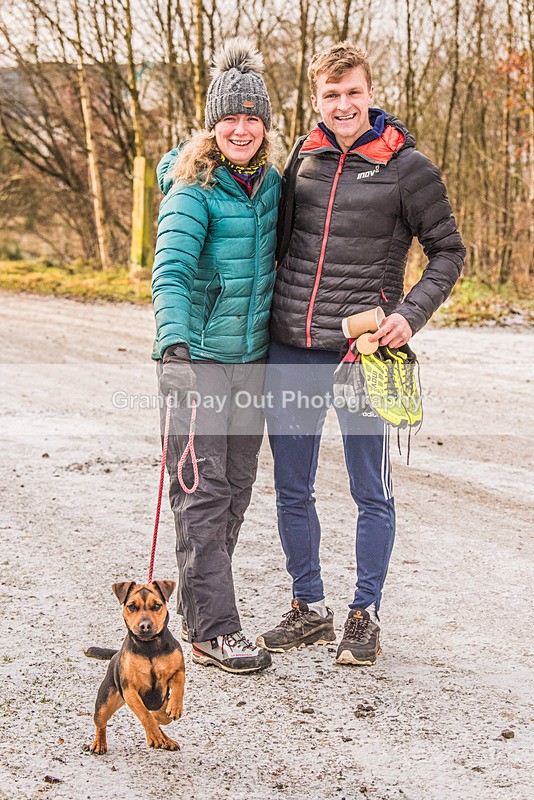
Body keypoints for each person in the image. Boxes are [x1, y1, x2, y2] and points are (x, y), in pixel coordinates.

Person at [256, 42, 466, 666]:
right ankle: (309, 607)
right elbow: (274, 241)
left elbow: (449, 252)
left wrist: (409, 315)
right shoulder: (301, 158)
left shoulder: (408, 168)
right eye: (331, 94)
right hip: (291, 346)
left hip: (363, 352)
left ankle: (363, 613)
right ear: (315, 100)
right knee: (291, 486)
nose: (343, 104)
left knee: (369, 488)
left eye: (353, 92)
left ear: (371, 94)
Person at [151, 39, 280, 674]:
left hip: (250, 363)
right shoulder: (192, 190)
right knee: (201, 493)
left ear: (266, 124)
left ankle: (200, 610)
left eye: (252, 117)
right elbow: (171, 272)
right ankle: (215, 629)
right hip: (197, 362)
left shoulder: (271, 185)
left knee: (236, 489)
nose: (241, 128)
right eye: (230, 117)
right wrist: (172, 349)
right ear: (211, 125)